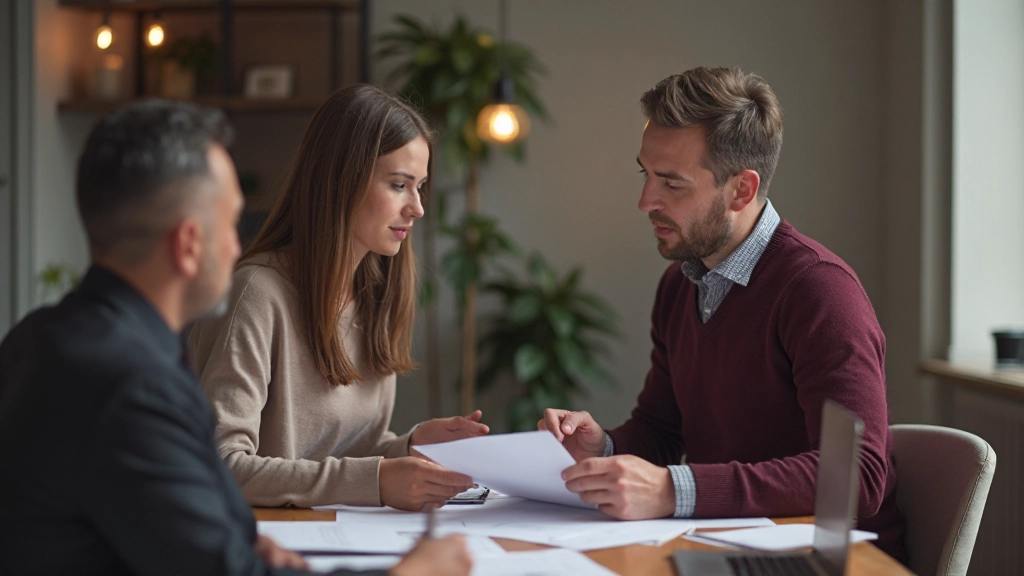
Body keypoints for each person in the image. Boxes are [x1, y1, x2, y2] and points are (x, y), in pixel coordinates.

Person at [0, 100, 471, 576]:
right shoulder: (133, 386)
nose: (238, 246)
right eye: (230, 223)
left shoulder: (39, 339)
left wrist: (235, 539)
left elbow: (163, 525)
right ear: (188, 244)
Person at [538, 67, 906, 562]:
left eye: (672, 183)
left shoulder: (820, 292)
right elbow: (662, 431)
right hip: (723, 551)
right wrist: (602, 447)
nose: (646, 201)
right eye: (646, 174)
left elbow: (856, 477)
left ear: (741, 190)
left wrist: (673, 491)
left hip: (829, 562)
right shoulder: (680, 285)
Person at [190, 84, 487, 511]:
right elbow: (220, 465)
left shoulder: (376, 295)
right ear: (340, 181)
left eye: (420, 187)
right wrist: (378, 480)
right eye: (399, 185)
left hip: (336, 536)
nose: (417, 208)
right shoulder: (257, 295)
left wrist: (409, 447)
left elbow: (346, 453)